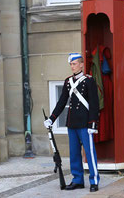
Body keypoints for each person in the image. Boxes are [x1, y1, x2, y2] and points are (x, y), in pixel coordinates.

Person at [43, 53, 100, 192]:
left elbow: (94, 103)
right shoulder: (68, 81)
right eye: (71, 64)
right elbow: (62, 102)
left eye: (74, 64)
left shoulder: (89, 81)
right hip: (72, 123)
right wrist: (52, 118)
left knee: (90, 153)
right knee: (74, 153)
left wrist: (93, 123)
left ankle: (94, 181)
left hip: (85, 124)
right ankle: (77, 180)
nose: (72, 66)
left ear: (81, 64)